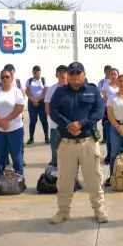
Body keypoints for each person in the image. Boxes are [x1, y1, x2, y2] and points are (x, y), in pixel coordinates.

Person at [47, 62, 108, 224]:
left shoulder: (93, 90)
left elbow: (99, 111)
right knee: (64, 180)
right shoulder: (60, 92)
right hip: (67, 143)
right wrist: (69, 124)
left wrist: (81, 123)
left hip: (87, 142)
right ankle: (63, 211)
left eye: (77, 73)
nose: (74, 76)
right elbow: (53, 111)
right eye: (71, 73)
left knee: (94, 179)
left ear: (84, 74)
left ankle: (99, 210)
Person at [0, 68, 26, 176]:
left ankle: (20, 177)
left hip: (15, 129)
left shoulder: (17, 91)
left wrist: (5, 120)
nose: (4, 79)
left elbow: (19, 108)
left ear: (11, 78)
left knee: (16, 155)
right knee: (0, 156)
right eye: (2, 77)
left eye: (7, 77)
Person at [45, 65, 69, 166]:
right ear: (56, 75)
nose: (62, 74)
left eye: (65, 72)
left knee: (69, 150)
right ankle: (55, 166)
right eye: (60, 72)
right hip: (56, 125)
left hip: (70, 126)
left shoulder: (72, 88)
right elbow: (47, 108)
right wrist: (58, 121)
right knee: (55, 148)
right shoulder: (51, 89)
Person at [25, 65, 49, 145]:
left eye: (37, 71)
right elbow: (27, 91)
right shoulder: (29, 81)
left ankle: (46, 137)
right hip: (31, 103)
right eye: (34, 71)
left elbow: (45, 92)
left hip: (41, 102)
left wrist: (37, 100)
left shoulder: (43, 80)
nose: (36, 73)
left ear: (40, 72)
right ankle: (31, 138)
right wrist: (32, 100)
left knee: (44, 121)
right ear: (32, 72)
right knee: (32, 121)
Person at [101, 68, 120, 165]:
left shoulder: (121, 85)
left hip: (120, 115)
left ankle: (119, 155)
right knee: (109, 136)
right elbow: (104, 99)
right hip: (109, 114)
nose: (113, 76)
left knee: (119, 135)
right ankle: (109, 155)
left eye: (115, 74)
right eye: (112, 74)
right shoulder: (106, 86)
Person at [97, 65, 112, 144]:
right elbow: (99, 92)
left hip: (113, 104)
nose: (108, 72)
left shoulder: (114, 81)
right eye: (106, 70)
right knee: (104, 122)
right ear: (104, 71)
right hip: (104, 104)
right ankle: (105, 138)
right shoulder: (102, 82)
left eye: (109, 70)